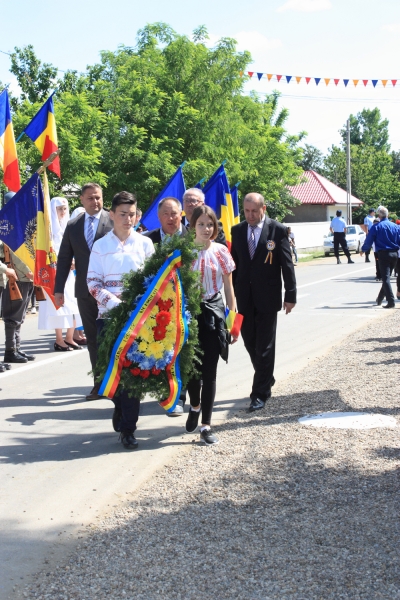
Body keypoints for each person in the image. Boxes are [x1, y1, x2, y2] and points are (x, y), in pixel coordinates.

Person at [87, 191, 154, 449]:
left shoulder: (145, 244)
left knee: (132, 375)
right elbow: (92, 283)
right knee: (113, 373)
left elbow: (153, 282)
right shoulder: (101, 246)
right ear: (112, 215)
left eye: (132, 214)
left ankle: (129, 428)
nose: (128, 219)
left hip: (138, 320)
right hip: (109, 318)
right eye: (122, 214)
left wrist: (138, 307)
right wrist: (116, 305)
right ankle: (119, 407)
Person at [231, 193, 296, 412]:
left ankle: (259, 394)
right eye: (246, 211)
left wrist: (291, 294)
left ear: (263, 209)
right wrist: (231, 295)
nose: (249, 215)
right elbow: (235, 265)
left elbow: (287, 264)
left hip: (268, 297)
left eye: (254, 211)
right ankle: (266, 377)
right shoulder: (237, 231)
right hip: (244, 297)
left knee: (265, 346)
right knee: (250, 342)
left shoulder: (277, 230)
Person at [54, 183, 113, 400]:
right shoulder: (73, 225)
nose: (95, 202)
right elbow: (64, 258)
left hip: (111, 291)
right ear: (81, 200)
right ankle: (99, 383)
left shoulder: (113, 220)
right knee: (93, 337)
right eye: (90, 198)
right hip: (85, 291)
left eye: (98, 197)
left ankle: (117, 380)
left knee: (113, 335)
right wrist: (58, 289)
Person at [185, 205, 237, 445]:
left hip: (214, 315)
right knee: (192, 372)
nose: (206, 229)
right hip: (189, 316)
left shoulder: (221, 251)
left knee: (210, 371)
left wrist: (232, 324)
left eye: (210, 224)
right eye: (201, 224)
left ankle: (206, 425)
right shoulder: (184, 253)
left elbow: (229, 289)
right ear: (192, 226)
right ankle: (194, 405)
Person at [38, 198, 84, 351]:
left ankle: (69, 337)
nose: (63, 212)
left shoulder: (69, 228)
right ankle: (59, 339)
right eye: (59, 209)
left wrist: (75, 261)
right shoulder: (48, 231)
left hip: (70, 273)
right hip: (55, 273)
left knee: (72, 304)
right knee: (58, 306)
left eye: (65, 209)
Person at [0, 240, 35, 363]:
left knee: (19, 317)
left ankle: (16, 348)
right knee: (12, 317)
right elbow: (14, 253)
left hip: (25, 279)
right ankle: (10, 350)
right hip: (18, 277)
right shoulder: (13, 230)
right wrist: (28, 272)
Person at [361, 206, 400, 308]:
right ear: (388, 215)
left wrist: (364, 249)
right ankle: (380, 298)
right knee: (386, 278)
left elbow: (369, 240)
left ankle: (391, 301)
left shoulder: (376, 227)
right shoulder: (396, 226)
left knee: (385, 278)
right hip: (395, 254)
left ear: (379, 216)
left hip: (383, 254)